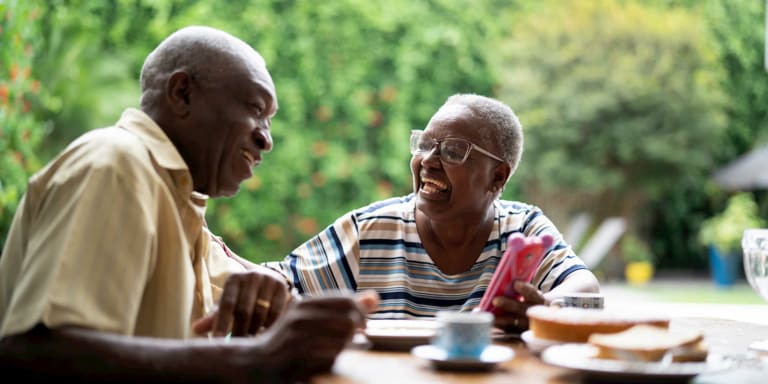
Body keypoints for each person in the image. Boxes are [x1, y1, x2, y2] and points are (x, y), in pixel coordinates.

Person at [0, 25, 378, 383]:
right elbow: (37, 353)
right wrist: (254, 359)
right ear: (182, 93)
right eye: (255, 109)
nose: (267, 140)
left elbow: (253, 287)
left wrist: (274, 297)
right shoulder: (115, 165)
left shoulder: (177, 199)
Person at [265, 93, 599, 332]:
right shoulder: (372, 229)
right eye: (424, 144)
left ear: (497, 177)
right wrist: (265, 285)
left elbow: (585, 287)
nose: (427, 160)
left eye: (453, 151)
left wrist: (546, 309)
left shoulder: (522, 228)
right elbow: (282, 280)